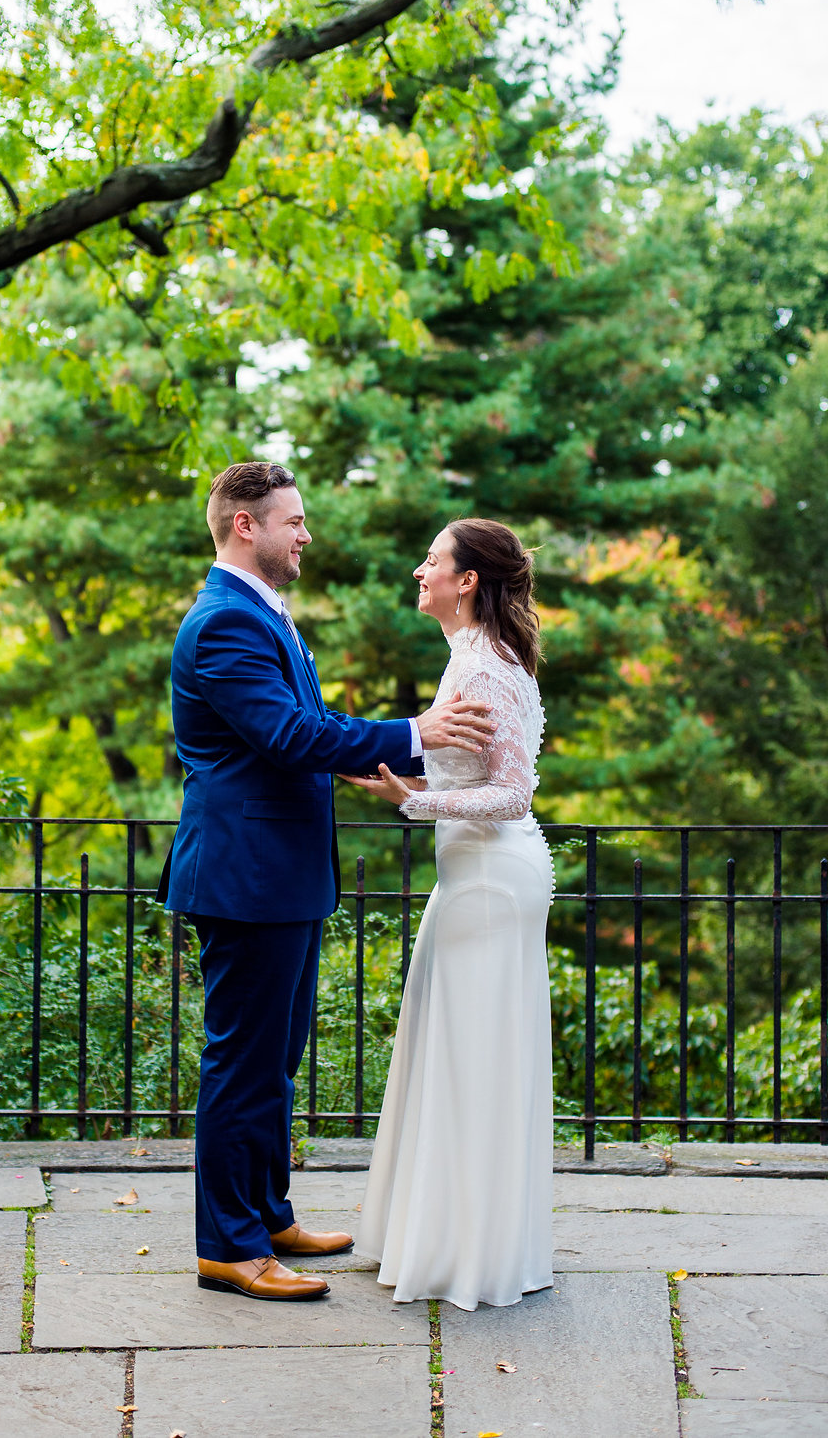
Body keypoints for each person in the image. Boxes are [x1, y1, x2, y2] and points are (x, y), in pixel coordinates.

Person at [159, 462, 497, 1303]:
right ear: (247, 526)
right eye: (294, 520)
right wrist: (414, 731)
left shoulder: (265, 614)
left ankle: (267, 1213)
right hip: (246, 877)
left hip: (282, 874)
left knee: (275, 1058)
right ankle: (228, 1247)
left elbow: (299, 733)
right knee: (241, 1062)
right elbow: (286, 731)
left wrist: (375, 759)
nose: (306, 534)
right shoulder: (223, 624)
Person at [342, 518, 554, 1311]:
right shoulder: (467, 656)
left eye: (431, 561)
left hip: (493, 881)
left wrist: (416, 800)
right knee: (458, 1054)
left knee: (477, 1060)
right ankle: (454, 1236)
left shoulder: (488, 665)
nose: (417, 571)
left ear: (466, 581)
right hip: (470, 877)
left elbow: (513, 793)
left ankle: (474, 1252)